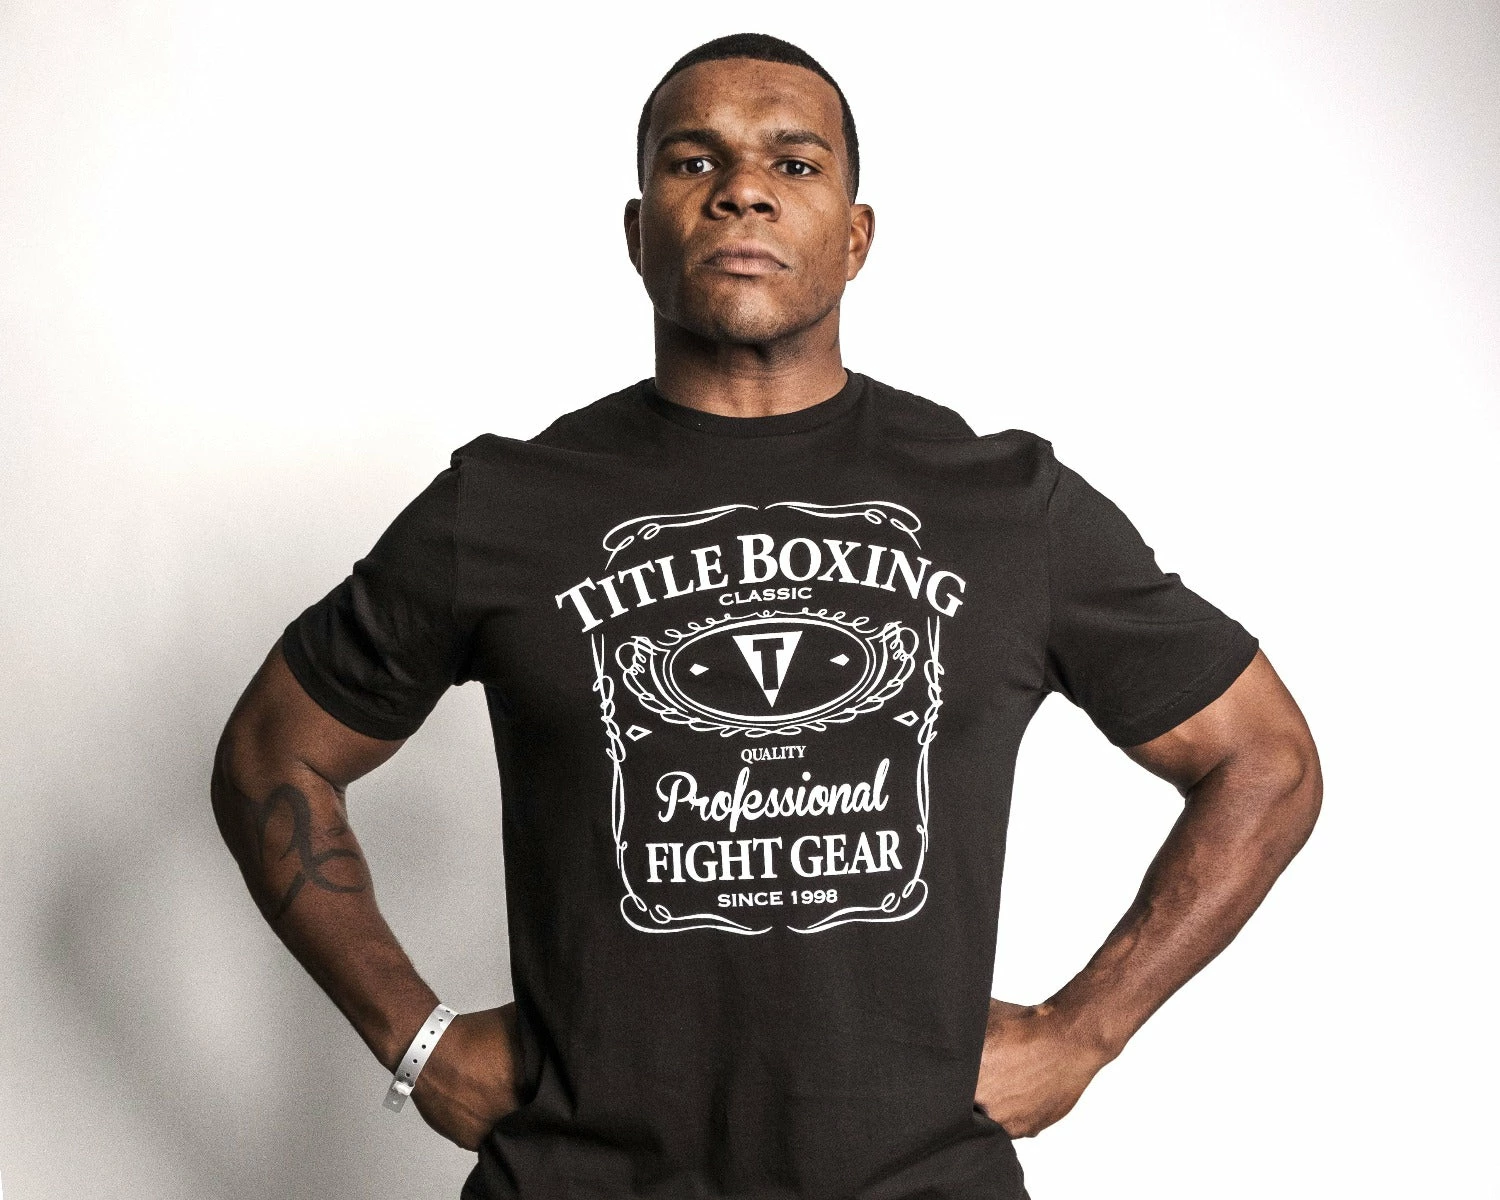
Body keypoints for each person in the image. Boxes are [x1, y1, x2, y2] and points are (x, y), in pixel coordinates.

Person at [210, 31, 1322, 1200]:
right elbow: (271, 751)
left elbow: (1265, 759)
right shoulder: (505, 504)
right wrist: (415, 1037)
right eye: (693, 161)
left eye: (795, 163)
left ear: (857, 237)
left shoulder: (1005, 507)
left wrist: (1086, 1028)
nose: (742, 188)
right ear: (637, 233)